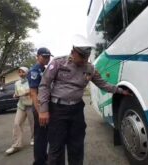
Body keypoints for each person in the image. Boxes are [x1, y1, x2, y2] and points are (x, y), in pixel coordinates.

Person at [38, 35, 131, 165]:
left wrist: (121, 91)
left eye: (87, 56)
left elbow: (103, 84)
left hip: (76, 111)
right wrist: (43, 109)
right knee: (56, 148)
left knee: (77, 146)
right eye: (82, 56)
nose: (84, 60)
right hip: (57, 110)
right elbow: (44, 85)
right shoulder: (58, 63)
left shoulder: (89, 68)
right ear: (73, 52)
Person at [28, 47, 65, 165]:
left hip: (48, 105)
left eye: (48, 56)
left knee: (48, 134)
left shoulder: (45, 69)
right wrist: (40, 111)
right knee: (40, 136)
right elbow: (33, 93)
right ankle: (39, 161)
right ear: (37, 56)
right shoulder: (34, 71)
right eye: (44, 56)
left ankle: (45, 157)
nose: (47, 59)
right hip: (39, 106)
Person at [5, 67, 34, 155]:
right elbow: (16, 93)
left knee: (33, 124)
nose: (21, 74)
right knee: (17, 123)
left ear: (27, 73)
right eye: (20, 72)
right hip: (21, 105)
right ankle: (16, 145)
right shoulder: (17, 83)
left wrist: (27, 93)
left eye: (23, 72)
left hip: (31, 105)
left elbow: (33, 92)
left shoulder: (31, 81)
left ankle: (33, 138)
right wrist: (15, 95)